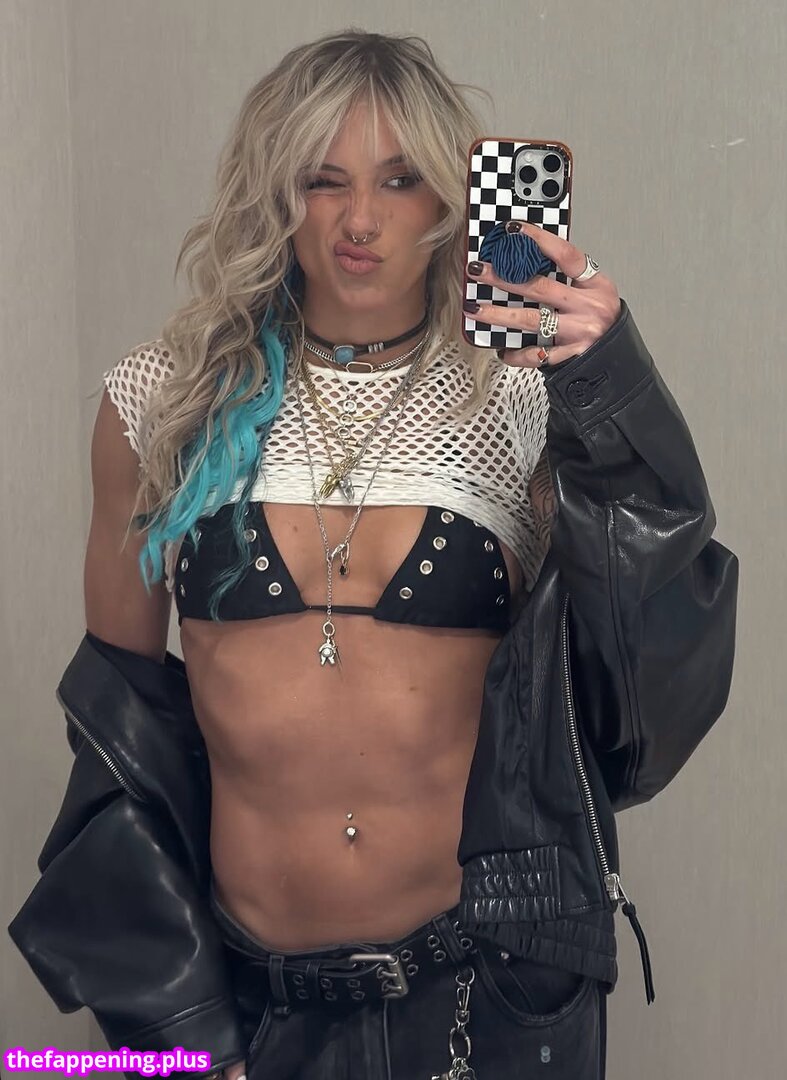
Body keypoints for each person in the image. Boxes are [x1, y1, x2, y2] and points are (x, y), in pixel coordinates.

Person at [8, 29, 738, 1080]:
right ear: (276, 191)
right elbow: (118, 744)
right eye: (324, 179)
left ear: (449, 199)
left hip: (486, 1001)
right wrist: (180, 1034)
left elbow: (648, 703)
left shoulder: (521, 399)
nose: (360, 220)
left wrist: (607, 387)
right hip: (252, 1013)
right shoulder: (164, 404)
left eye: (400, 180)